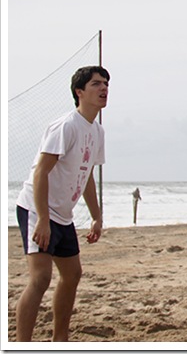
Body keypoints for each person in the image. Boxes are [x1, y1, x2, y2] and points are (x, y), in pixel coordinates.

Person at [15, 66, 109, 341]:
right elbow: (40, 172)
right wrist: (43, 219)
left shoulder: (97, 131)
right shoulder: (66, 125)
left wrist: (96, 216)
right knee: (41, 278)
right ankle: (22, 344)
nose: (103, 88)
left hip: (63, 215)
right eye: (95, 84)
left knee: (72, 275)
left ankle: (60, 340)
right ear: (79, 92)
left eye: (105, 83)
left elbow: (87, 175)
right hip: (36, 208)